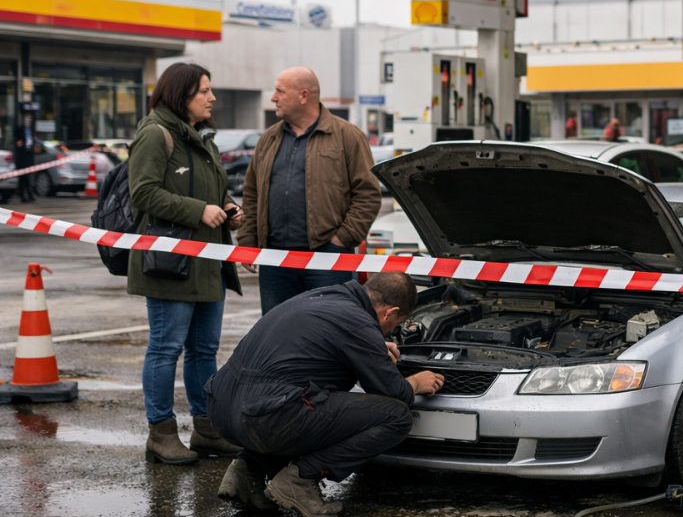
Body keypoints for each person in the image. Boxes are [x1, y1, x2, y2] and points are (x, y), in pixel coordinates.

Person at [207, 272, 445, 517]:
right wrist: (416, 382)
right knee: (396, 416)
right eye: (393, 325)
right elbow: (393, 391)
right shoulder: (358, 323)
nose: (387, 331)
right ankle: (300, 481)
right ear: (389, 313)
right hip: (265, 417)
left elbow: (312, 342)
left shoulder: (324, 296)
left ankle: (247, 470)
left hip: (221, 409)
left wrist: (372, 345)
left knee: (295, 398)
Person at [128, 63, 244, 465]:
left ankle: (207, 430)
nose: (212, 98)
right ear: (181, 95)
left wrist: (227, 208)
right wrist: (199, 211)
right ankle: (160, 434)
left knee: (204, 350)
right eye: (204, 91)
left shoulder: (202, 138)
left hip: (209, 262)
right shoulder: (155, 133)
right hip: (171, 263)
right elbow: (143, 193)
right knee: (165, 349)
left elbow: (213, 190)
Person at [238, 67, 382, 313]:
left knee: (327, 328)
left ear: (304, 96)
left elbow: (368, 194)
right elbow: (252, 194)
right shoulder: (268, 139)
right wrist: (248, 241)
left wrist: (341, 241)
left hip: (327, 259)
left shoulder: (347, 136)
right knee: (278, 330)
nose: (273, 98)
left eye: (280, 91)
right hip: (274, 260)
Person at [13, 108, 36, 202]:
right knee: (23, 177)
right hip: (22, 157)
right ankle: (23, 195)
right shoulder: (20, 130)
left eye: (29, 119)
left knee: (27, 177)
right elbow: (17, 142)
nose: (28, 121)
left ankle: (29, 194)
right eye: (26, 118)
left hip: (29, 156)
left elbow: (32, 143)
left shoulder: (31, 130)